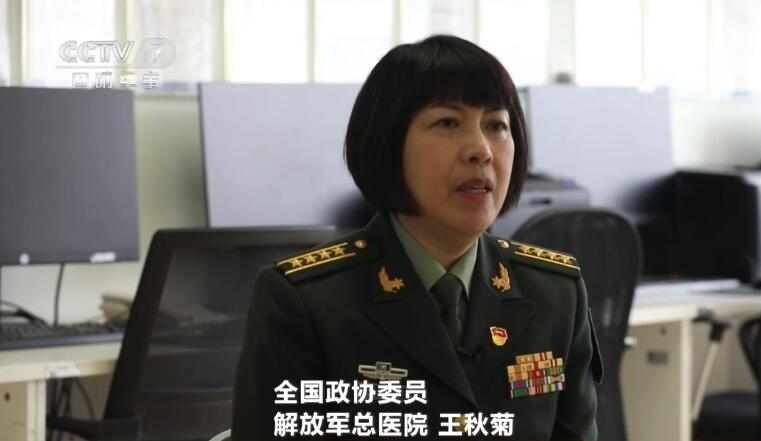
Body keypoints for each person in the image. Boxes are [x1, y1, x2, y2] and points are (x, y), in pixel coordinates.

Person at [232, 35, 602, 440]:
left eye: (496, 125)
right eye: (448, 123)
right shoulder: (304, 301)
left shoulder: (555, 293)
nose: (481, 150)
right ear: (388, 142)